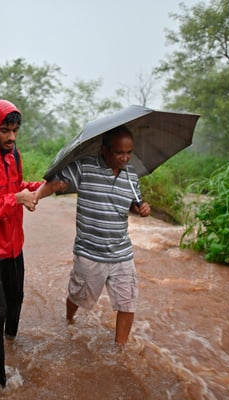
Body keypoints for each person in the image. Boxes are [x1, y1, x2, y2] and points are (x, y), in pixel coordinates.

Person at [0, 99, 64, 388]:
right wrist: (15, 200)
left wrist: (44, 188)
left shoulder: (13, 155)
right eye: (5, 130)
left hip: (13, 245)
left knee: (16, 297)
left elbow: (17, 187)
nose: (11, 137)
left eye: (15, 130)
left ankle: (11, 343)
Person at [56, 125, 151, 346]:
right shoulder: (85, 167)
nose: (125, 158)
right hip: (90, 251)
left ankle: (120, 350)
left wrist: (142, 208)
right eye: (119, 152)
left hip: (121, 252)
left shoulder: (131, 176)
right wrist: (38, 194)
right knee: (78, 296)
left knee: (127, 302)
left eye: (129, 152)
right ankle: (69, 319)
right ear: (105, 149)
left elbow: (133, 203)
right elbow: (57, 183)